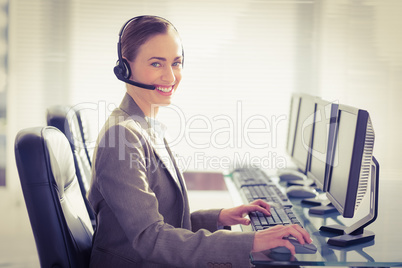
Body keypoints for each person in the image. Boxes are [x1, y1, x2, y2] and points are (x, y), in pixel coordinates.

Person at [88, 15, 312, 268]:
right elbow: (149, 238)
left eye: (176, 63)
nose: (171, 77)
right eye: (156, 64)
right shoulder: (121, 136)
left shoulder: (146, 126)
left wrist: (221, 216)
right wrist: (251, 243)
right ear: (125, 68)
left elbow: (164, 222)